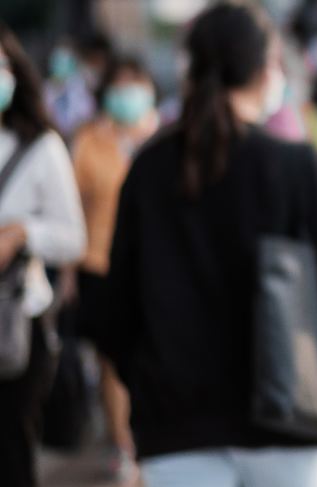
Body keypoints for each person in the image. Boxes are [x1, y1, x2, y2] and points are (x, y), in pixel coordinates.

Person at [82, 4, 317, 486]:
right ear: (265, 69)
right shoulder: (300, 170)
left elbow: (115, 303)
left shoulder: (150, 169)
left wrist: (146, 377)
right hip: (288, 416)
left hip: (175, 422)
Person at [0, 21, 87, 487]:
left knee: (11, 447)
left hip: (15, 320)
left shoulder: (41, 147)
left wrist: (21, 234)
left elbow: (73, 237)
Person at [69, 55, 160, 483]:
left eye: (134, 85)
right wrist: (69, 273)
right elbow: (72, 206)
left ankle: (152, 434)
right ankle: (123, 442)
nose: (128, 95)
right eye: (120, 86)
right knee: (112, 359)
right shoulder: (89, 142)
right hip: (101, 263)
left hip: (155, 264)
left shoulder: (164, 137)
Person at [45, 35, 113, 140]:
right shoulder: (44, 88)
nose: (62, 62)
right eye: (59, 57)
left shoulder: (83, 89)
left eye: (66, 58)